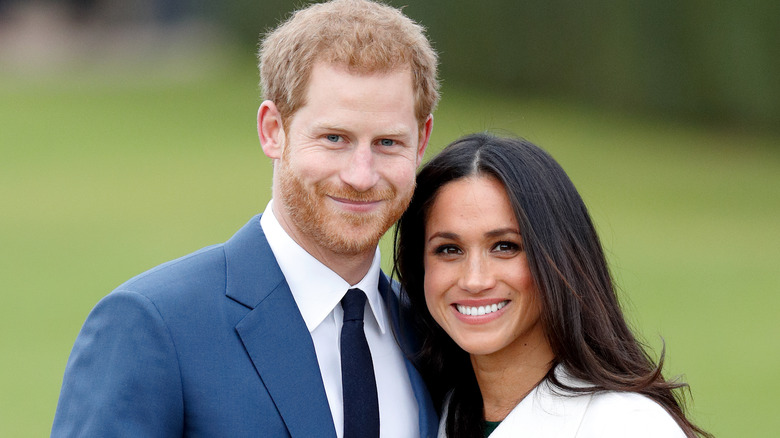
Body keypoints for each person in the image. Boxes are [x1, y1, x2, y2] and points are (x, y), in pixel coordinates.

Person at [51, 0, 439, 436]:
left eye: (388, 143)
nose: (361, 175)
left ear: (421, 140)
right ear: (273, 130)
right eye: (334, 138)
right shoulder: (153, 326)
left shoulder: (434, 335)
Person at [394, 133, 711, 438]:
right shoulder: (432, 414)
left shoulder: (628, 425)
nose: (474, 280)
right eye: (449, 250)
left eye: (505, 246)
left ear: (560, 257)